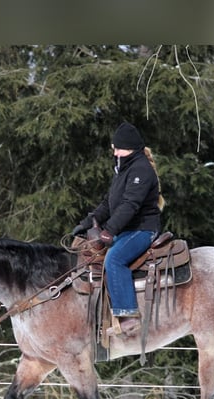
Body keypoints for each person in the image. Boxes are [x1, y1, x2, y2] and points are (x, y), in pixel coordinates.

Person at [72, 121, 163, 337]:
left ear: (128, 147)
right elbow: (109, 202)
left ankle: (128, 316)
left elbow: (130, 205)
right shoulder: (124, 168)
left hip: (142, 229)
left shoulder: (141, 169)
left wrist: (109, 230)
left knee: (114, 259)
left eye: (117, 147)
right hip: (128, 230)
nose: (114, 151)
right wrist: (90, 220)